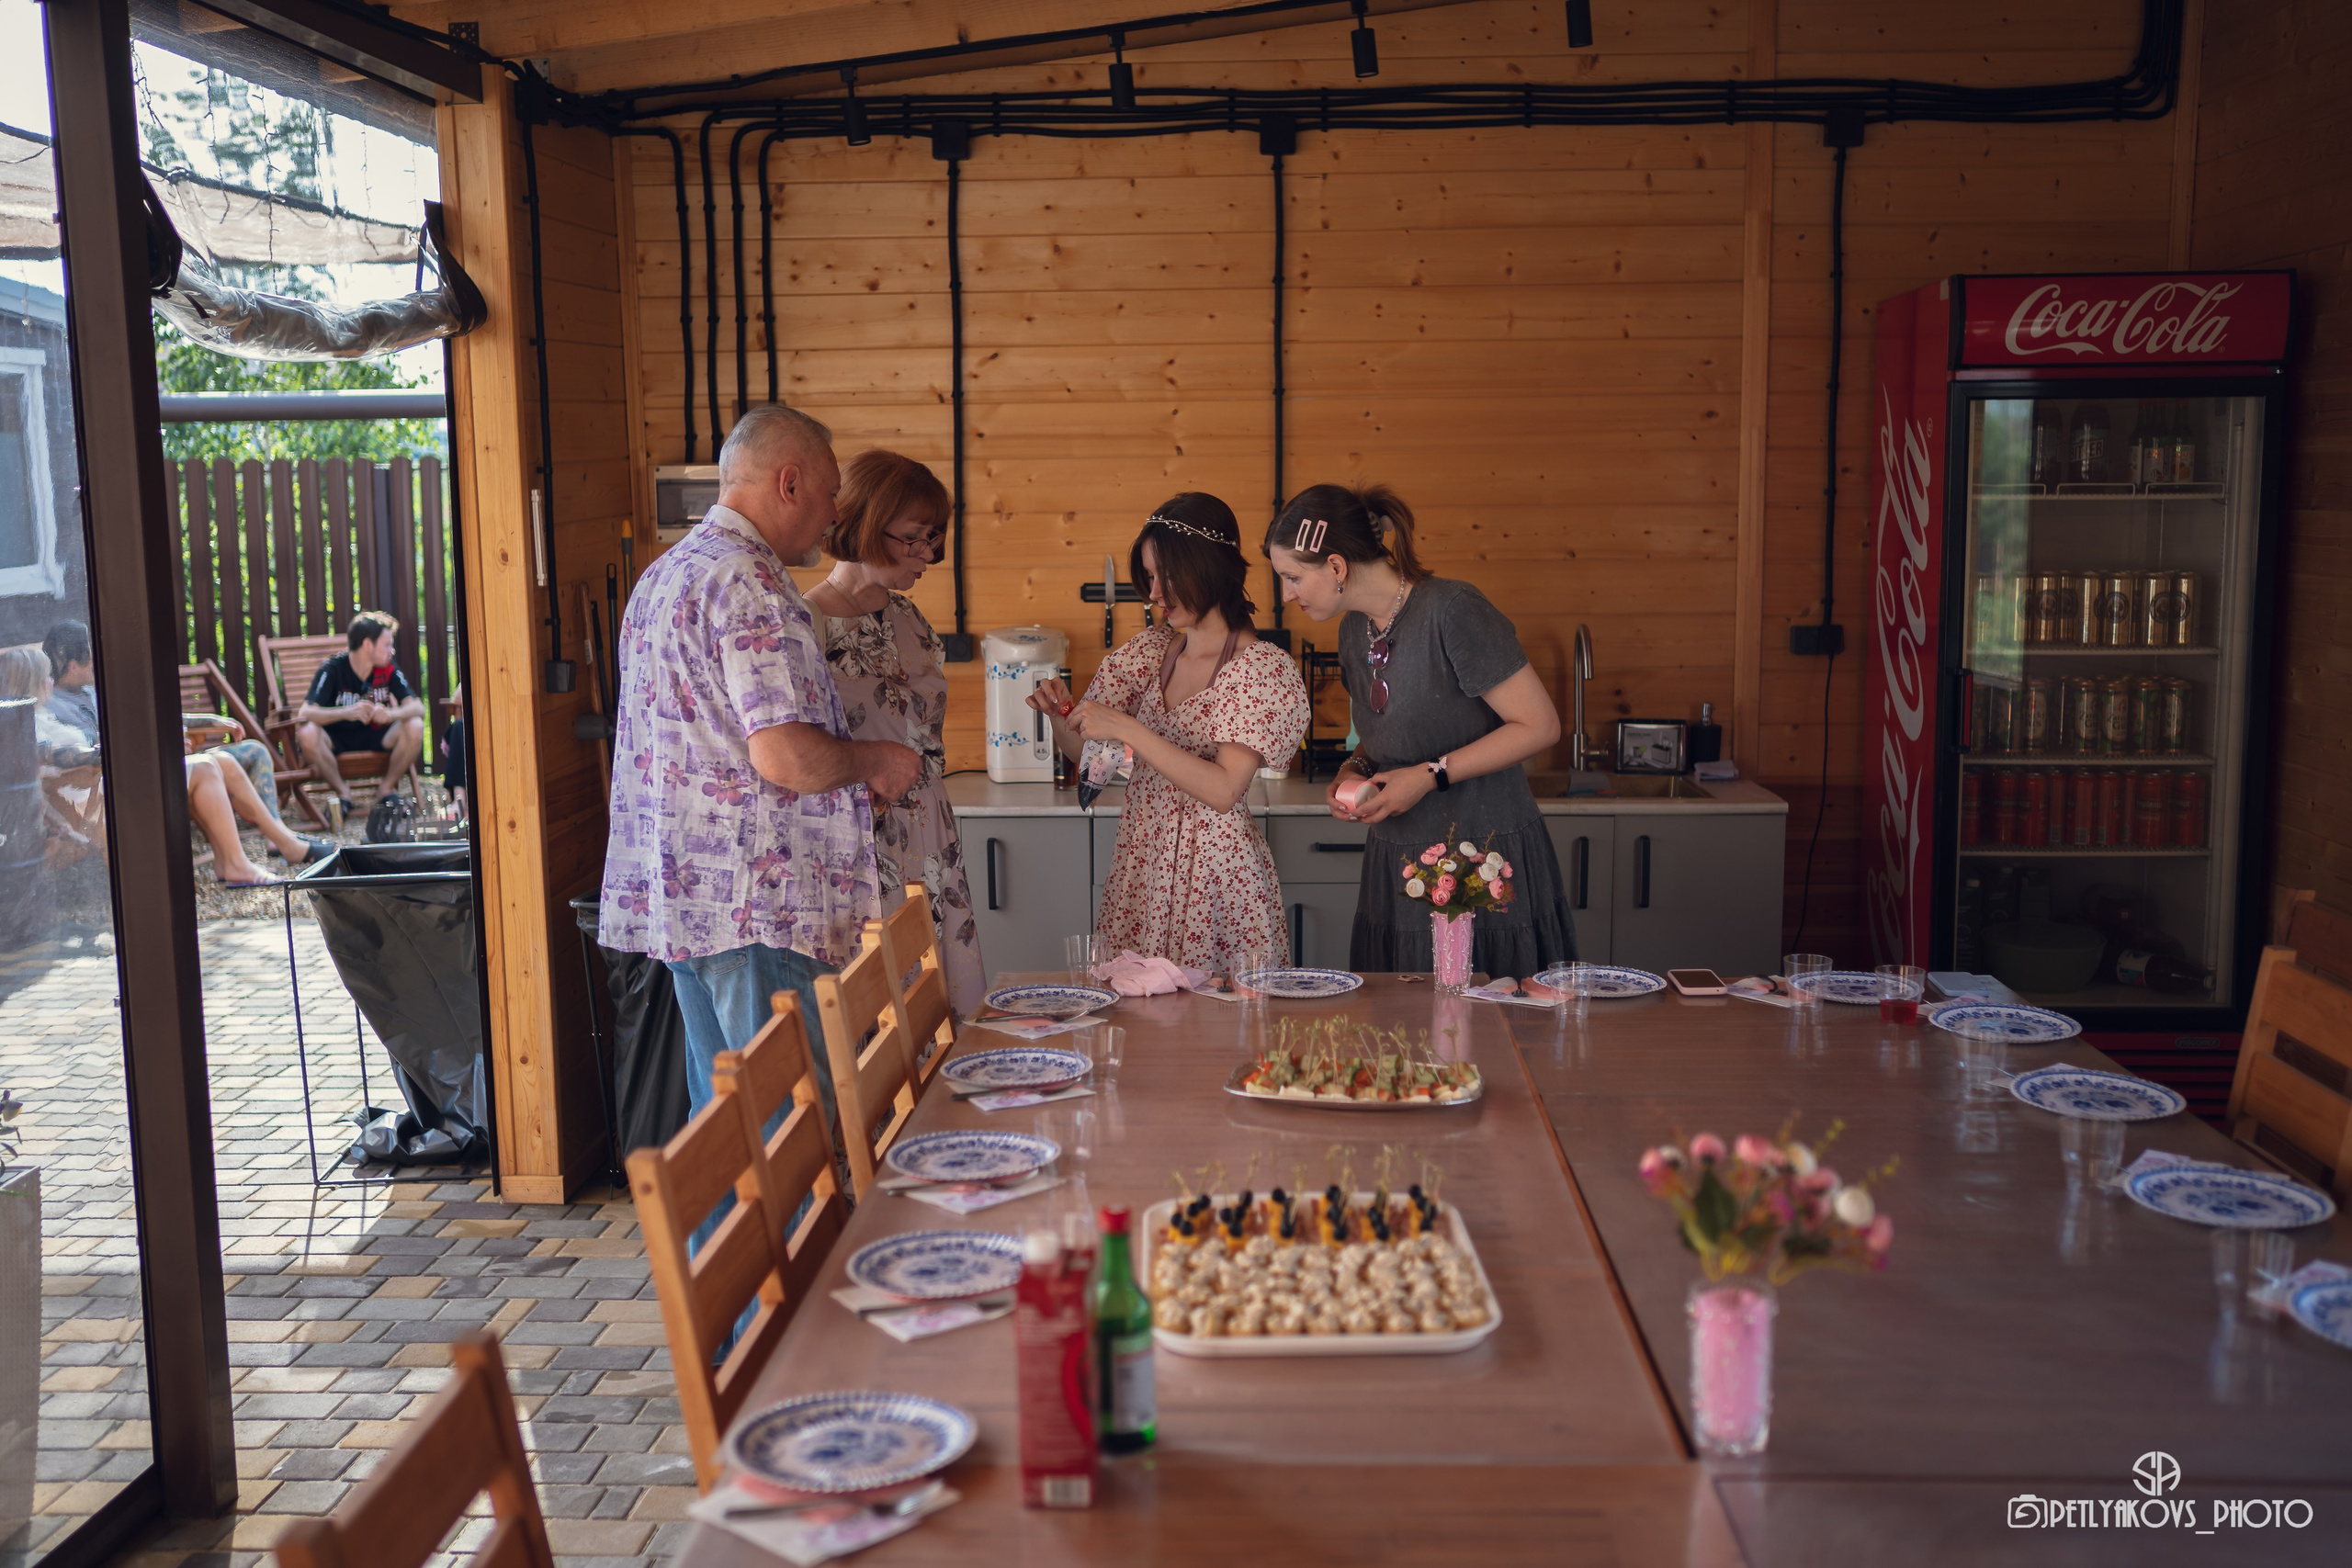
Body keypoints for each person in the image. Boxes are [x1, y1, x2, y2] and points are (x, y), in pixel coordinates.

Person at [598, 404, 922, 1127]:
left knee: (725, 1136)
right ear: (788, 482)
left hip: (686, 902)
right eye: (831, 491)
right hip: (761, 910)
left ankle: (728, 1250)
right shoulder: (751, 584)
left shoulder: (663, 576)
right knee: (787, 1137)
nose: (836, 511)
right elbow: (781, 754)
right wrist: (878, 760)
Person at [1262, 482, 1576, 976]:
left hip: (1483, 858)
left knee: (1490, 1029)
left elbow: (1540, 726)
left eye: (1293, 577)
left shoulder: (1453, 610)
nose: (1286, 594)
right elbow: (1395, 733)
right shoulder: (1353, 630)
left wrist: (1429, 775)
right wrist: (1355, 767)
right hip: (1399, 862)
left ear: (1337, 567)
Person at [1027, 493, 1308, 973]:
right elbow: (1090, 753)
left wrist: (1130, 727)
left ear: (1209, 568)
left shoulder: (1260, 668)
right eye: (1151, 577)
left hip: (1217, 879)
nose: (1153, 593)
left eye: (1166, 576)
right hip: (1144, 866)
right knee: (1139, 1024)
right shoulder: (1150, 651)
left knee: (1215, 1034)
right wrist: (1059, 715)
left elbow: (1224, 790)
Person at [804, 449, 986, 1018]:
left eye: (934, 538)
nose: (928, 554)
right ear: (862, 522)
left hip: (931, 831)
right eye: (913, 538)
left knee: (943, 996)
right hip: (858, 840)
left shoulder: (910, 618)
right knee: (881, 1007)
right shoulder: (807, 623)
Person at [0, 646, 327, 884]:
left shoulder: (39, 717)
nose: (51, 683)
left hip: (101, 796)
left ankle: (263, 852)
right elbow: (69, 755)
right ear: (30, 683)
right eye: (45, 678)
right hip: (98, 809)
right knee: (206, 767)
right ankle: (250, 858)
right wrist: (135, 751)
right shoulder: (25, 727)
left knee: (221, 761)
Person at [42, 618, 284, 815]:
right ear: (73, 665)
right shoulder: (55, 710)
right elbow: (98, 752)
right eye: (92, 656)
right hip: (132, 781)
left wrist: (210, 720)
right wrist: (164, 747)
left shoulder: (94, 690)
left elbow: (147, 718)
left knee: (255, 750)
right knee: (216, 765)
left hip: (156, 762)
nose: (98, 660)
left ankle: (276, 839)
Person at [295, 613, 426, 817]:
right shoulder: (333, 669)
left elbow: (419, 707)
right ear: (367, 645)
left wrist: (391, 714)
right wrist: (347, 712)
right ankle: (343, 793)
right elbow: (305, 712)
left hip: (378, 736)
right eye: (386, 644)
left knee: (415, 725)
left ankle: (386, 789)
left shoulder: (388, 669)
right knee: (306, 733)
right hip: (337, 739)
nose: (392, 651)